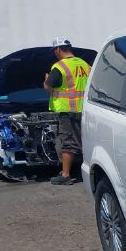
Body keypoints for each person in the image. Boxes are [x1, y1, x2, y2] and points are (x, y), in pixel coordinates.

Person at [43, 37, 90, 185]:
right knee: (85, 141)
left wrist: (46, 79)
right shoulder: (85, 64)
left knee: (68, 142)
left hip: (68, 111)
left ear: (58, 49)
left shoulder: (60, 67)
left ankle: (65, 175)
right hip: (86, 110)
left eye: (54, 50)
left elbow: (48, 86)